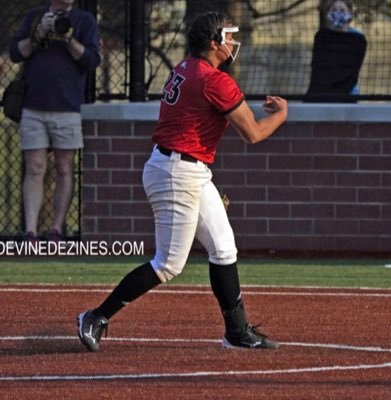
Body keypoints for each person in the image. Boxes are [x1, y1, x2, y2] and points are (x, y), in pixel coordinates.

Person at [77, 11, 288, 352]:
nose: (232, 42)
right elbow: (252, 132)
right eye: (227, 36)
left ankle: (237, 331)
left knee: (223, 247)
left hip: (184, 167)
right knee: (169, 263)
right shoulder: (214, 79)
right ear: (212, 42)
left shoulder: (187, 67)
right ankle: (96, 316)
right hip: (179, 171)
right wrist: (281, 115)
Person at [9, 0, 100, 242]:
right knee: (35, 167)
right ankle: (30, 231)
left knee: (63, 167)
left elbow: (92, 60)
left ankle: (56, 229)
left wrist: (68, 38)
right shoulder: (34, 17)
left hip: (68, 107)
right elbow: (16, 53)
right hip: (33, 105)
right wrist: (40, 32)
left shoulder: (83, 20)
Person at [306, 0, 367, 101]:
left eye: (342, 10)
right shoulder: (321, 38)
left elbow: (350, 70)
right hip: (319, 96)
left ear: (350, 14)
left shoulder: (358, 39)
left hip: (347, 95)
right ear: (328, 14)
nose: (338, 13)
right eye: (334, 10)